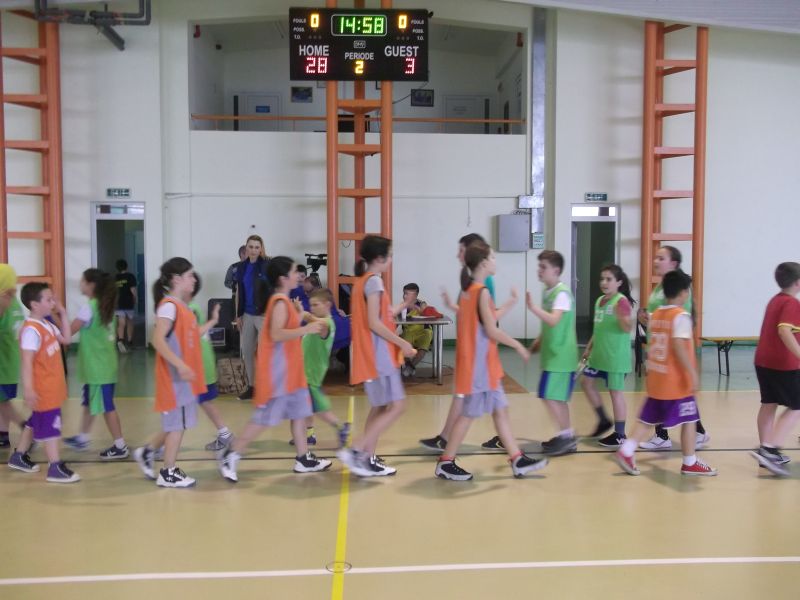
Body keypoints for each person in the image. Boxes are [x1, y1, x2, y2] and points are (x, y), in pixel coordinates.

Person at [434, 241, 548, 480]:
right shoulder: (481, 291)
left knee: (500, 411)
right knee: (468, 414)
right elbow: (492, 329)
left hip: (485, 365)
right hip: (479, 367)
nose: (496, 262)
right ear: (484, 263)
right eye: (493, 257)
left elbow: (487, 318)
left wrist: (510, 302)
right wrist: (518, 345)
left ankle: (517, 459)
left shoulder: (469, 291)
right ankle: (446, 462)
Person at [218, 257, 332, 482]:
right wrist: (306, 328)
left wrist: (299, 314)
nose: (298, 276)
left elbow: (287, 326)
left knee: (299, 413)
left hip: (292, 371)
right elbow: (277, 334)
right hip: (278, 374)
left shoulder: (285, 301)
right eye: (294, 272)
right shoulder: (279, 302)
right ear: (283, 278)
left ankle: (303, 458)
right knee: (263, 419)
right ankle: (231, 455)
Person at [420, 233, 518, 451]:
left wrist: (517, 343)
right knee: (477, 405)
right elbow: (473, 315)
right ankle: (449, 446)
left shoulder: (482, 284)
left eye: (461, 250)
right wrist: (452, 306)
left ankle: (449, 445)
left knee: (475, 405)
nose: (458, 255)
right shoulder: (471, 285)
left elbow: (489, 320)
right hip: (474, 356)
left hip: (480, 356)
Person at [615, 270, 717, 477]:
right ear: (684, 292)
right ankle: (690, 462)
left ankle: (626, 451)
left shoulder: (658, 314)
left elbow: (652, 336)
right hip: (676, 382)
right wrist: (692, 372)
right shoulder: (681, 316)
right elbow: (678, 345)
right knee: (690, 419)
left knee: (647, 419)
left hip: (657, 379)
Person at [337, 235, 416, 477]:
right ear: (380, 258)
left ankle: (367, 458)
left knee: (380, 406)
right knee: (398, 406)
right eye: (389, 255)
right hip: (379, 355)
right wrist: (403, 343)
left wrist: (403, 305)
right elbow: (374, 322)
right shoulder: (374, 282)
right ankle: (357, 450)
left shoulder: (363, 281)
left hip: (370, 354)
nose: (391, 259)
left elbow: (382, 315)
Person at [133, 257, 206, 488]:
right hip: (174, 379)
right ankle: (168, 472)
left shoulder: (181, 306)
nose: (193, 280)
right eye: (189, 276)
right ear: (176, 279)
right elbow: (158, 340)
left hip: (183, 380)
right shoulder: (169, 307)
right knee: (176, 425)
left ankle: (148, 452)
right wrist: (181, 365)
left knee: (176, 423)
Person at [638, 246, 710, 450]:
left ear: (674, 263)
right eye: (656, 257)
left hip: (671, 352)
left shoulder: (680, 291)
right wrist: (646, 317)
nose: (656, 261)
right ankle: (668, 435)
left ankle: (694, 436)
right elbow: (658, 316)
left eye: (661, 258)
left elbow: (678, 324)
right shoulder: (660, 287)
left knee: (676, 396)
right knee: (667, 394)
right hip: (658, 349)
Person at [7, 282, 78, 483]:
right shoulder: (31, 330)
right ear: (34, 305)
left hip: (52, 386)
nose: (53, 302)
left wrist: (63, 313)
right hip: (43, 388)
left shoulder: (46, 324)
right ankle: (55, 467)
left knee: (34, 422)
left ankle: (19, 456)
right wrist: (29, 389)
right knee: (50, 427)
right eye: (49, 300)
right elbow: (26, 363)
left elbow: (67, 339)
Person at [63, 269, 128, 459]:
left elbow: (68, 333)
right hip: (104, 366)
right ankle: (82, 438)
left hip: (98, 369)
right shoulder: (103, 305)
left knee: (107, 407)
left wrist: (57, 314)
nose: (80, 283)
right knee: (89, 402)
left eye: (82, 280)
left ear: (91, 285)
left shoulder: (89, 307)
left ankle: (120, 445)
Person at [749, 262, 800, 476]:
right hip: (782, 363)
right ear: (798, 282)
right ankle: (771, 450)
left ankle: (766, 450)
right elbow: (784, 331)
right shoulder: (792, 303)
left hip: (763, 360)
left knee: (769, 403)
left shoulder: (775, 300)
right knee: (797, 406)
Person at [526, 250, 579, 456]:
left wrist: (532, 308)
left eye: (543, 267)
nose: (539, 270)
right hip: (553, 355)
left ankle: (567, 437)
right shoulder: (547, 291)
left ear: (556, 270)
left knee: (548, 395)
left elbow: (554, 319)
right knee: (556, 398)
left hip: (562, 357)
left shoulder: (562, 293)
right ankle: (566, 436)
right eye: (539, 266)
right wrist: (539, 340)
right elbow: (550, 324)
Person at [580, 265, 635, 448]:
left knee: (615, 393)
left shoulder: (621, 302)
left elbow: (627, 328)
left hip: (615, 358)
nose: (604, 282)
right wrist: (589, 347)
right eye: (602, 279)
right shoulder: (599, 301)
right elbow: (599, 328)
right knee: (586, 382)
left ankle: (620, 434)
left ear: (618, 282)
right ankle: (603, 419)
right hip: (599, 355)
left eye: (609, 279)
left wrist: (621, 318)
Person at [290, 288, 350, 448]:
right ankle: (309, 435)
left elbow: (318, 322)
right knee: (307, 407)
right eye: (311, 305)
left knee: (318, 409)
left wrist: (303, 313)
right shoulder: (315, 323)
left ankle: (341, 428)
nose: (313, 308)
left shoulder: (327, 324)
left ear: (327, 305)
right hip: (305, 373)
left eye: (316, 305)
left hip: (311, 374)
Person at [189, 273, 234, 452]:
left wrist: (214, 320)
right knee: (204, 402)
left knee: (179, 408)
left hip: (197, 365)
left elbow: (193, 334)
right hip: (200, 363)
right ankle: (225, 434)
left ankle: (159, 445)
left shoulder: (189, 308)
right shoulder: (188, 307)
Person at [234, 235, 270, 400]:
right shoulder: (241, 267)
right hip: (247, 314)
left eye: (257, 247)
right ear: (246, 248)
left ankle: (267, 387)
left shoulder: (267, 266)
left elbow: (273, 290)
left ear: (261, 249)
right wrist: (238, 315)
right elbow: (239, 292)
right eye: (251, 247)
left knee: (265, 353)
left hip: (263, 315)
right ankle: (252, 386)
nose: (253, 250)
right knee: (247, 351)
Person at [0, 265, 27, 449]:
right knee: (2, 401)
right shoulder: (14, 303)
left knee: (3, 402)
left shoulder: (4, 304)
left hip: (3, 362)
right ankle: (3, 435)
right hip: (10, 362)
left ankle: (26, 429)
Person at [399, 282, 441, 378]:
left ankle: (411, 366)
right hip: (409, 332)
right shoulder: (402, 306)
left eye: (408, 294)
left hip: (423, 331)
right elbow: (396, 321)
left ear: (415, 296)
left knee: (423, 345)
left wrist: (417, 308)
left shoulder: (422, 303)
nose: (405, 296)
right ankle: (409, 365)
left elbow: (424, 311)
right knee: (403, 346)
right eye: (404, 293)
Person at [114, 259, 137, 353]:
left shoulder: (115, 278)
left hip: (119, 303)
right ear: (126, 266)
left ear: (117, 268)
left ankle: (121, 340)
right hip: (128, 302)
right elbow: (133, 290)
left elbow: (114, 291)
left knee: (121, 322)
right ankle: (130, 341)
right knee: (129, 322)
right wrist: (134, 299)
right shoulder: (130, 276)